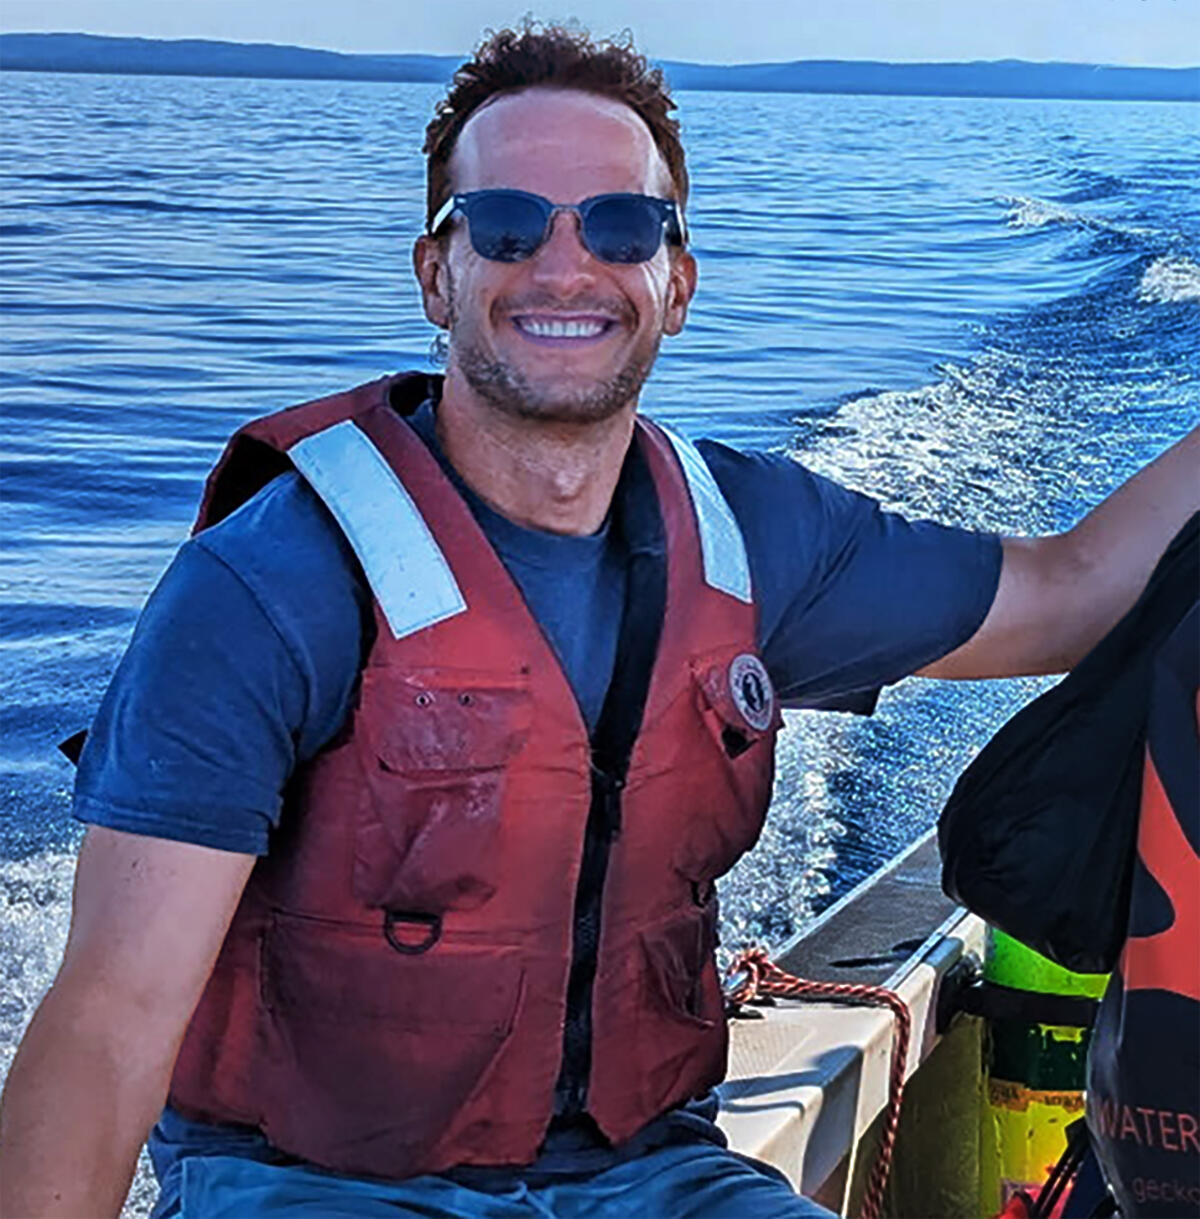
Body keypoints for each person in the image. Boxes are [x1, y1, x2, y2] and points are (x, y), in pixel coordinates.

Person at [1, 22, 1196, 1219]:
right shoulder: (267, 585)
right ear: (438, 273)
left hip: (655, 1175)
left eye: (620, 226)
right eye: (510, 226)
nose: (566, 266)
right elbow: (109, 1021)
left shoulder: (754, 537)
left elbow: (1072, 591)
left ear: (675, 280)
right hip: (314, 1183)